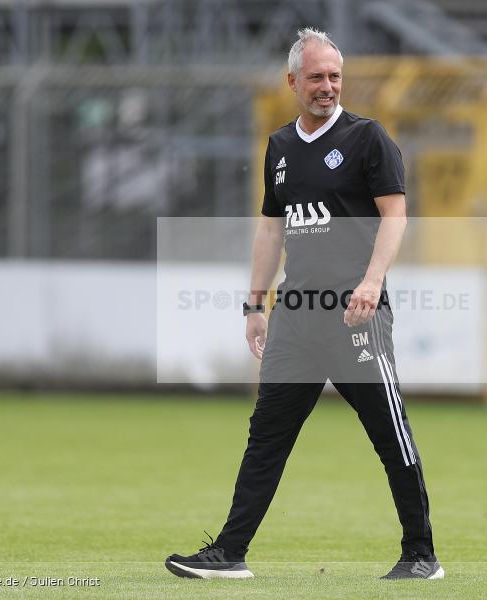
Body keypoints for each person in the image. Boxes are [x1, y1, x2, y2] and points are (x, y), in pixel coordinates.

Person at [165, 27, 442, 581]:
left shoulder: (369, 139)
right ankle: (229, 552)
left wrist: (370, 282)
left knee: (390, 435)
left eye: (335, 76)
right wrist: (254, 307)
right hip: (296, 317)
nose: (327, 86)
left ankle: (421, 555)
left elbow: (396, 216)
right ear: (293, 81)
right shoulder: (280, 148)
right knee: (266, 434)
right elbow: (271, 230)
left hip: (355, 315)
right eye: (316, 77)